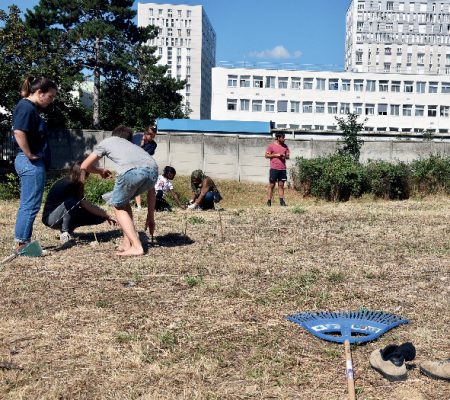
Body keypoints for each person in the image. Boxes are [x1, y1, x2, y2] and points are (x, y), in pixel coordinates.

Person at [80, 125, 158, 256]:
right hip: (154, 171)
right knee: (124, 202)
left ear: (114, 135)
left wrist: (100, 171)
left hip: (132, 172)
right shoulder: (135, 148)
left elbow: (84, 165)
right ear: (130, 138)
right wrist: (150, 216)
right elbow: (152, 190)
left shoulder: (109, 141)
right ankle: (127, 243)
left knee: (118, 206)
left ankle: (137, 247)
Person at [12, 75, 58, 250]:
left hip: (30, 162)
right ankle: (23, 243)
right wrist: (29, 154)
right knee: (30, 204)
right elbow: (18, 132)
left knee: (29, 203)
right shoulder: (26, 107)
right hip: (29, 162)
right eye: (51, 96)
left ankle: (23, 241)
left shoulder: (29, 108)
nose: (51, 100)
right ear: (39, 92)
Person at [42, 161, 116, 243]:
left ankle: (69, 230)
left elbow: (85, 203)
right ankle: (65, 232)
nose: (87, 178)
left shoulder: (76, 184)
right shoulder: (67, 184)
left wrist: (105, 215)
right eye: (87, 174)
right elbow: (78, 203)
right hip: (51, 219)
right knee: (72, 202)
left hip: (60, 215)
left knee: (99, 216)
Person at [135, 125, 157, 210]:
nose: (152, 136)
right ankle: (139, 206)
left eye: (154, 134)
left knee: (151, 185)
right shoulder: (137, 139)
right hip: (134, 165)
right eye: (150, 134)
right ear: (146, 133)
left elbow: (146, 154)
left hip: (146, 166)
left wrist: (141, 146)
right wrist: (141, 144)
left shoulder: (153, 144)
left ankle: (151, 206)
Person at [265, 132, 290, 207]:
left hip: (282, 169)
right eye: (283, 137)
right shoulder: (271, 146)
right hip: (274, 169)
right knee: (272, 185)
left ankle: (282, 202)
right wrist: (276, 155)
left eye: (284, 137)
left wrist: (284, 156)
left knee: (281, 185)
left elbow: (288, 156)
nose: (284, 138)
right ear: (278, 138)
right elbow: (266, 155)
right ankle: (269, 201)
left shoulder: (285, 146)